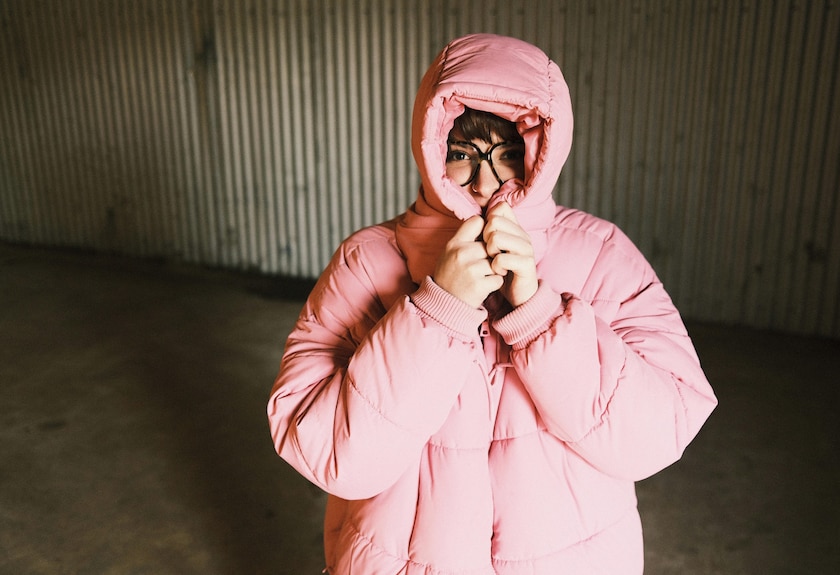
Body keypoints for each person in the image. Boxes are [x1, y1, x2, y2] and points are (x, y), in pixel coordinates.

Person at [268, 33, 717, 574]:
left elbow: (657, 433)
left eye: (507, 155)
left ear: (542, 154)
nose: (484, 181)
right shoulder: (368, 261)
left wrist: (540, 316)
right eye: (462, 154)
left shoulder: (599, 254)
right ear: (429, 148)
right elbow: (329, 453)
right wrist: (439, 309)